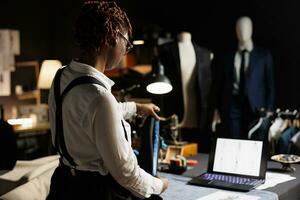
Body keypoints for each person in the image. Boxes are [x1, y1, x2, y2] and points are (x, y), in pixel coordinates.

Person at [47, 1, 168, 199]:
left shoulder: (61, 77)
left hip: (63, 186)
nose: (124, 52)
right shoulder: (100, 97)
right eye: (127, 44)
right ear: (112, 38)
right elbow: (126, 174)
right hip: (96, 192)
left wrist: (136, 107)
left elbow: (93, 116)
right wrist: (159, 185)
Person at [213, 16, 275, 139]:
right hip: (232, 104)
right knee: (233, 139)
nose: (242, 32)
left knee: (254, 141)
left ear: (251, 29)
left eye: (246, 28)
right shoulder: (227, 56)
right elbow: (219, 84)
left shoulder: (263, 56)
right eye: (239, 28)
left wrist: (269, 109)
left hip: (256, 105)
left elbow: (270, 84)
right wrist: (216, 109)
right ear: (235, 31)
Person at [156, 31, 213, 153]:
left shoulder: (205, 53)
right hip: (174, 114)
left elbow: (209, 89)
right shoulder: (165, 51)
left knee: (200, 156)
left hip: (198, 115)